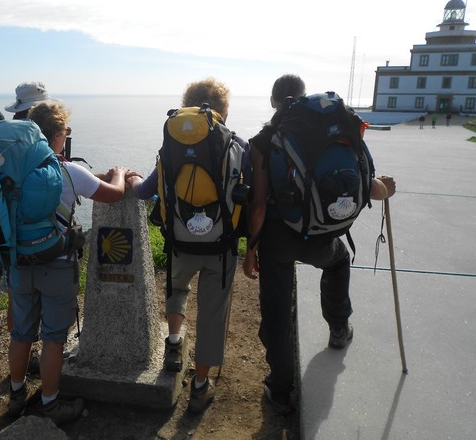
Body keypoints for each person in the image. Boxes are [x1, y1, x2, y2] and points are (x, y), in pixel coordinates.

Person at [242, 74, 397, 415]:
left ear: (273, 102)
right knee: (339, 262)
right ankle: (339, 328)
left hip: (278, 239)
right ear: (302, 97)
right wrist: (385, 188)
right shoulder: (335, 126)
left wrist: (251, 249)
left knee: (277, 310)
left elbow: (258, 206)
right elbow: (367, 185)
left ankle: (281, 390)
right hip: (322, 236)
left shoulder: (263, 140)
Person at [127, 77, 249, 414]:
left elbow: (144, 190)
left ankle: (175, 343)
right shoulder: (237, 145)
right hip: (222, 246)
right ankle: (199, 386)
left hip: (180, 240)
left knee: (177, 288)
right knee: (212, 311)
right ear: (223, 109)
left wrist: (132, 178)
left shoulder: (172, 145)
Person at [7, 100, 130, 424]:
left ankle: (16, 396)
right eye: (66, 131)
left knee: (21, 333)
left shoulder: (13, 171)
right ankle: (50, 404)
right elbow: (113, 194)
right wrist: (118, 174)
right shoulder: (66, 171)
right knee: (53, 337)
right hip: (56, 263)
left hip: (19, 262)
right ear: (59, 134)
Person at [0, 81, 52, 365]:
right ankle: (24, 360)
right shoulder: (37, 133)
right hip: (22, 228)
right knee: (20, 292)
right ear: (40, 106)